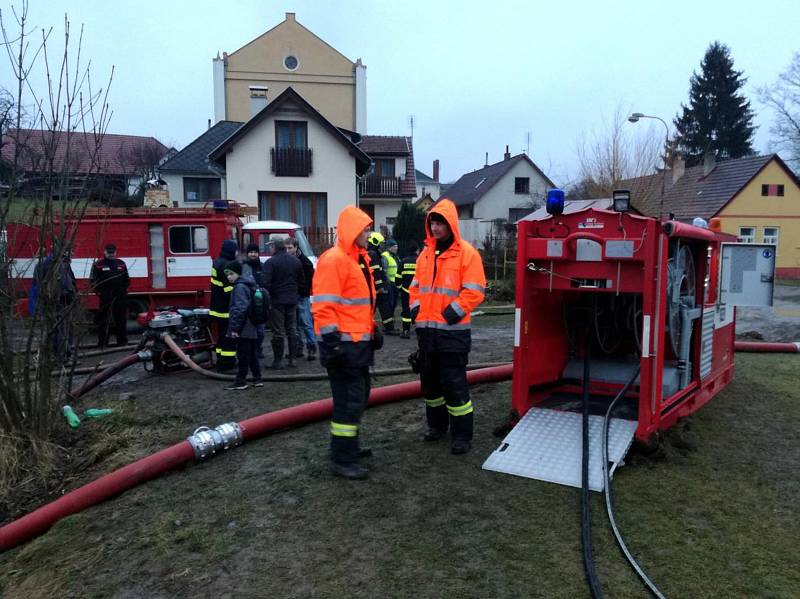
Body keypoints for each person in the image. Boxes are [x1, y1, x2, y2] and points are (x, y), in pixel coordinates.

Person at [410, 199, 486, 455]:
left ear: (450, 224)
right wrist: (415, 310)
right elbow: (415, 287)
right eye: (432, 221)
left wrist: (452, 312)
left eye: (440, 222)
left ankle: (462, 435)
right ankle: (437, 427)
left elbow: (475, 291)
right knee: (430, 385)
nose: (435, 226)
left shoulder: (467, 254)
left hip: (452, 333)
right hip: (427, 333)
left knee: (454, 385)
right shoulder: (425, 254)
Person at [312, 205, 382, 480]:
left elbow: (357, 306)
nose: (368, 232)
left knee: (359, 396)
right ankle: (342, 459)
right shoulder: (335, 260)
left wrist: (372, 329)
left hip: (355, 346)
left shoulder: (356, 260)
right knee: (349, 402)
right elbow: (323, 306)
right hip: (342, 347)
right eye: (365, 228)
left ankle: (347, 448)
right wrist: (332, 344)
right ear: (353, 230)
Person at [262, 237, 304, 369]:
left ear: (274, 246)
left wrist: (273, 292)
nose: (270, 248)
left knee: (278, 331)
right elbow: (301, 281)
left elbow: (265, 283)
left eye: (270, 245)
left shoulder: (270, 262)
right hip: (292, 299)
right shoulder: (296, 261)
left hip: (277, 300)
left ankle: (277, 361)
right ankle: (292, 360)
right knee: (292, 329)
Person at [223, 260, 263, 391]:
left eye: (231, 274)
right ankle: (257, 379)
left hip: (243, 327)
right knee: (252, 354)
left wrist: (234, 328)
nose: (228, 276)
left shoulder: (239, 287)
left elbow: (239, 309)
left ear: (237, 273)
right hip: (251, 325)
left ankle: (241, 380)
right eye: (227, 274)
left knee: (243, 354)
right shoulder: (248, 284)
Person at [33, 247, 78, 360]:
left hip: (65, 301)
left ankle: (65, 353)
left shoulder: (64, 265)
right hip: (55, 302)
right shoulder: (49, 265)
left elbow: (70, 282)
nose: (71, 255)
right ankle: (60, 355)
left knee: (66, 328)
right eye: (69, 252)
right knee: (58, 329)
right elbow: (39, 285)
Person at [90, 243, 130, 348]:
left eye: (113, 252)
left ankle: (122, 342)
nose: (111, 255)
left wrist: (123, 291)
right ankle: (103, 343)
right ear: (105, 252)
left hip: (119, 296)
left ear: (116, 252)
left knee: (121, 319)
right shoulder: (98, 264)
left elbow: (126, 279)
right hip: (105, 296)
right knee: (104, 320)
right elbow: (93, 281)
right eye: (109, 253)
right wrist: (100, 293)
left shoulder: (121, 263)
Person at [285, 237, 317, 361]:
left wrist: (303, 291)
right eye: (286, 248)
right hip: (292, 296)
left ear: (296, 247)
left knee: (306, 322)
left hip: (301, 296)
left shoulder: (305, 262)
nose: (288, 250)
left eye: (290, 248)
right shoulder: (289, 261)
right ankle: (298, 348)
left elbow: (309, 280)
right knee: (295, 324)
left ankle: (311, 347)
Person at [210, 239, 238, 371]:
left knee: (221, 336)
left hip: (216, 307)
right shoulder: (227, 265)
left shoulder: (217, 262)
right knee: (228, 337)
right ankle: (227, 363)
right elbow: (228, 291)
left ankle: (220, 359)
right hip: (226, 309)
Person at [367, 232, 395, 335]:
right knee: (376, 309)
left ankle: (389, 328)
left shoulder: (374, 253)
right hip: (377, 288)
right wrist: (379, 287)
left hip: (378, 287)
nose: (382, 246)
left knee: (383, 308)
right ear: (375, 242)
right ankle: (387, 328)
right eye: (380, 243)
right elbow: (375, 272)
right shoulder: (373, 254)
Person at [242, 243, 266, 358]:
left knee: (260, 331)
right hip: (247, 302)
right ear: (247, 254)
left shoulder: (263, 266)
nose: (253, 254)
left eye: (255, 252)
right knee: (249, 329)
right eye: (251, 252)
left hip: (260, 303)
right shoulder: (243, 266)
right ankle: (251, 351)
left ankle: (258, 349)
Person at [398, 240, 421, 339]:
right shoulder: (421, 260)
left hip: (405, 291)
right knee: (419, 311)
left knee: (406, 311)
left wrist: (399, 288)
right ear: (417, 250)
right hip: (418, 292)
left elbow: (398, 277)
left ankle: (406, 331)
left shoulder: (403, 261)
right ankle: (420, 331)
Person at [382, 239, 400, 327]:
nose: (396, 248)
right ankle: (388, 324)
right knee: (390, 303)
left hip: (395, 283)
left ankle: (391, 321)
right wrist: (387, 283)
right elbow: (384, 272)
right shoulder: (385, 256)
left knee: (394, 303)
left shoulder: (395, 256)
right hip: (389, 283)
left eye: (396, 246)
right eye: (394, 247)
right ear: (389, 248)